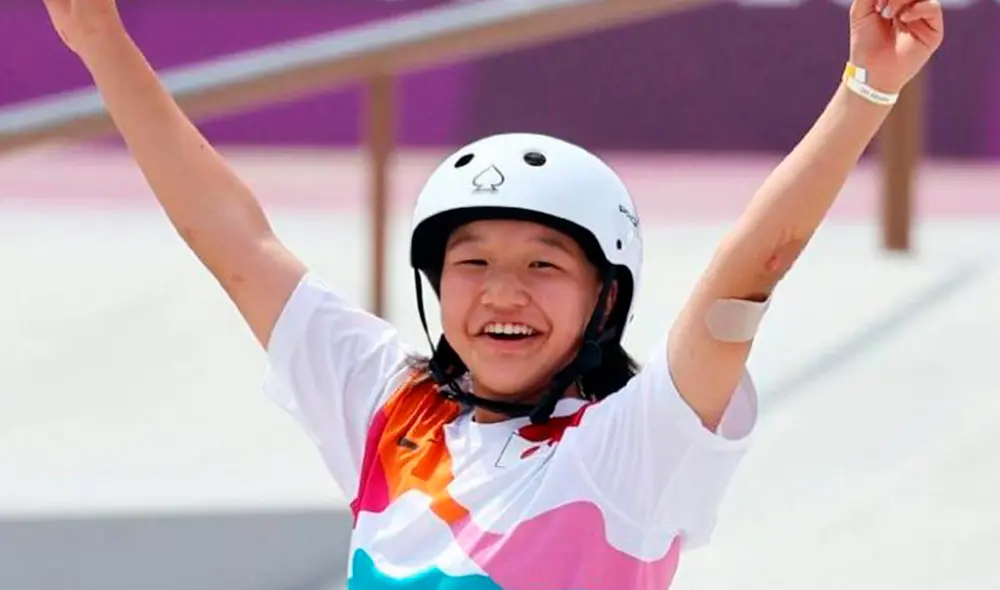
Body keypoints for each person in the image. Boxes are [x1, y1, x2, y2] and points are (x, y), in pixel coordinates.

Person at [42, 0, 943, 586]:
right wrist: (101, 41)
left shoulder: (635, 449)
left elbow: (750, 272)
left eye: (545, 264)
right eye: (472, 262)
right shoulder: (384, 406)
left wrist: (866, 89)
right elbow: (231, 237)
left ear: (606, 298)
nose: (502, 293)